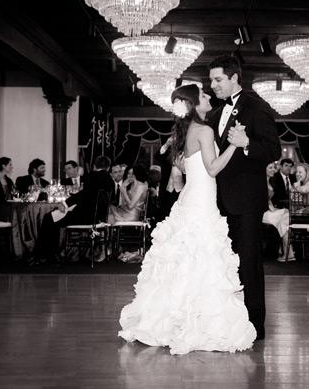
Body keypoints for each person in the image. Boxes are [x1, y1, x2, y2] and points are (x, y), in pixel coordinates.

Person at [119, 83, 257, 355]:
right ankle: (196, 320)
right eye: (204, 95)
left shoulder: (185, 132)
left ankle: (177, 317)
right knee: (201, 255)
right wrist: (234, 145)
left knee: (187, 257)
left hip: (192, 197)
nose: (209, 97)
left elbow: (181, 169)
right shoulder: (204, 130)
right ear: (194, 104)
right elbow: (213, 168)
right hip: (201, 200)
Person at [207, 55, 282, 341]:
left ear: (234, 77)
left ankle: (254, 327)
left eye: (218, 79)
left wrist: (247, 143)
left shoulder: (256, 107)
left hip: (247, 201)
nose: (213, 85)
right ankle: (228, 320)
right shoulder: (214, 114)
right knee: (224, 263)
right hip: (217, 203)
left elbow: (273, 150)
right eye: (211, 80)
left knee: (249, 264)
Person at [32, 155, 115, 264]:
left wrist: (65, 203)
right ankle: (52, 254)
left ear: (94, 166)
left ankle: (42, 255)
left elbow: (84, 195)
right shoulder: (110, 181)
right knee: (54, 219)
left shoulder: (92, 176)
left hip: (86, 217)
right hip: (98, 217)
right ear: (108, 167)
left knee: (49, 218)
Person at [262, 163, 294, 263]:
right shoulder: (259, 182)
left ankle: (287, 251)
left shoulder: (270, 182)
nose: (273, 170)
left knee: (284, 218)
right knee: (285, 215)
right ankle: (287, 251)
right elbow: (261, 200)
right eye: (270, 168)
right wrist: (272, 209)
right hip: (261, 213)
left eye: (274, 168)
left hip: (269, 210)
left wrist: (273, 209)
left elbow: (269, 200)